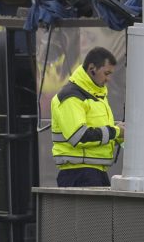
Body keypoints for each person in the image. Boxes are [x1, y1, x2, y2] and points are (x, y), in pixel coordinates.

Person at [50, 46, 125, 187]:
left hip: (92, 171)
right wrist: (115, 131)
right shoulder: (72, 97)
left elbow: (97, 136)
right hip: (79, 173)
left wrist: (117, 136)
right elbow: (78, 136)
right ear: (92, 69)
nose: (109, 79)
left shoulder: (96, 95)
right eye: (106, 73)